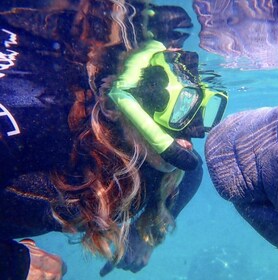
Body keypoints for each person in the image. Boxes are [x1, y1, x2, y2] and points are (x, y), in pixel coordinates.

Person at [0, 0, 227, 279]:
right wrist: (14, 264)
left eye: (196, 116)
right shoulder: (31, 122)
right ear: (111, 104)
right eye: (177, 113)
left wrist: (146, 234)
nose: (187, 144)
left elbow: (192, 172)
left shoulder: (155, 164)